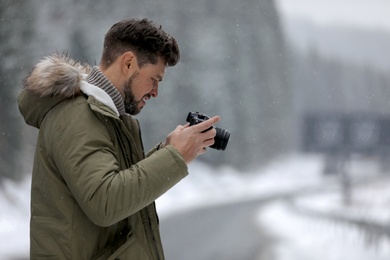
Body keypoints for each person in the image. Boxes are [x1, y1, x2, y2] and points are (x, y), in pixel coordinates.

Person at [17, 18, 220, 260]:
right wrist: (173, 157)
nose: (155, 92)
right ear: (129, 62)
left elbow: (119, 186)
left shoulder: (107, 117)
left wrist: (167, 150)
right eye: (154, 79)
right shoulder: (76, 116)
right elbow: (105, 202)